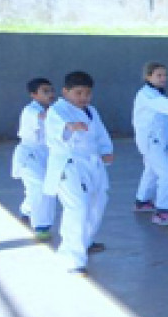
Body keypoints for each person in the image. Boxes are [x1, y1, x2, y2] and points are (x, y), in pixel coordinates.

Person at [43, 71, 113, 273]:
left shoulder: (92, 111)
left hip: (93, 163)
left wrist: (106, 151)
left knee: (98, 202)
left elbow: (100, 134)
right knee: (77, 207)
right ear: (65, 92)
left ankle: (85, 240)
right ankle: (71, 257)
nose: (83, 98)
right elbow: (56, 130)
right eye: (78, 93)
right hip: (69, 163)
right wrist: (70, 126)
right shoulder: (57, 110)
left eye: (87, 93)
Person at [131, 61, 168, 227]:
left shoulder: (156, 94)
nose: (163, 78)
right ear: (148, 76)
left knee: (151, 170)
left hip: (156, 141)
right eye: (159, 75)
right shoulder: (147, 94)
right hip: (151, 141)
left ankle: (142, 201)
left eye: (165, 75)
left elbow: (162, 107)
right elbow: (161, 105)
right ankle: (162, 212)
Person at [11, 77, 57, 241]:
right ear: (33, 95)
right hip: (29, 156)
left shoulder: (53, 109)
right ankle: (41, 227)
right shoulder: (31, 110)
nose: (50, 94)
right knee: (40, 189)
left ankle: (26, 212)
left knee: (35, 190)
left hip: (46, 155)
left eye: (51, 90)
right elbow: (45, 116)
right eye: (45, 91)